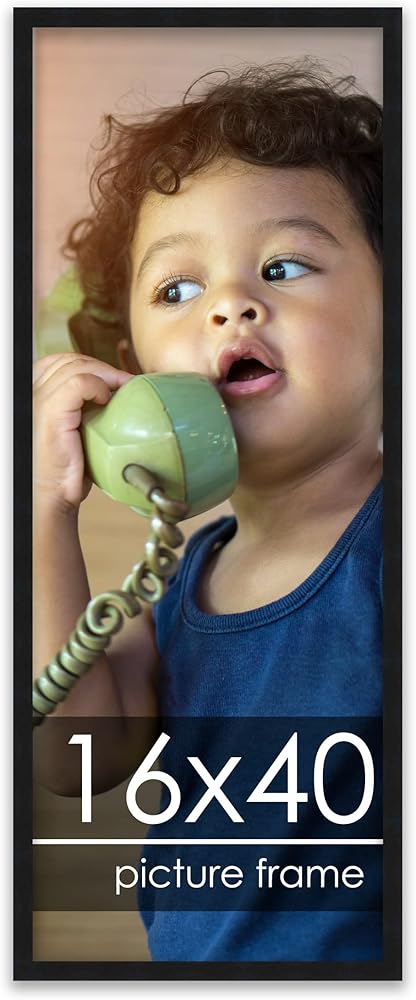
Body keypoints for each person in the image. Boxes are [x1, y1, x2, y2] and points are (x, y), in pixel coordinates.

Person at [33, 59, 383, 961]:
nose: (230, 305)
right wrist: (40, 516)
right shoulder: (181, 583)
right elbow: (76, 758)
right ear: (135, 374)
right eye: (177, 291)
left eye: (283, 266)